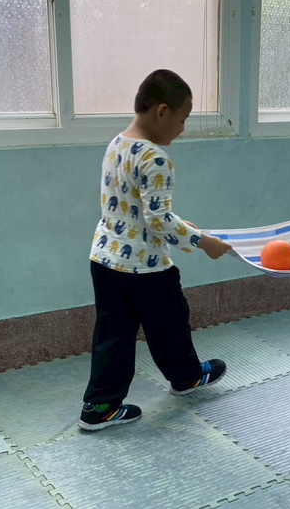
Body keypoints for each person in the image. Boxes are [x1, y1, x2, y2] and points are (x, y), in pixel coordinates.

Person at [78, 69, 232, 431]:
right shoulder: (155, 158)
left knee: (113, 336)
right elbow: (159, 220)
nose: (182, 128)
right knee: (171, 324)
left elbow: (136, 208)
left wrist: (180, 225)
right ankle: (187, 377)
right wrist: (202, 242)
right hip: (145, 269)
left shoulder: (118, 144)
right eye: (183, 119)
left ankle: (99, 406)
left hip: (105, 259)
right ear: (162, 111)